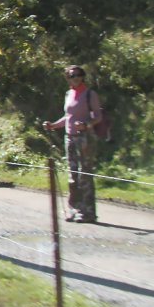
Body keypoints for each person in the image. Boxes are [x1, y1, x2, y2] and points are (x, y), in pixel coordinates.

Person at [43, 64, 102, 223]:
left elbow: (98, 116)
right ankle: (74, 209)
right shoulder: (69, 94)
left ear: (82, 76)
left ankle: (88, 212)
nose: (75, 78)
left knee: (85, 175)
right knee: (72, 175)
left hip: (85, 137)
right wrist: (53, 125)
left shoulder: (90, 94)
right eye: (71, 75)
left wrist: (86, 124)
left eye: (78, 74)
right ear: (67, 78)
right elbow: (68, 117)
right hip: (69, 137)